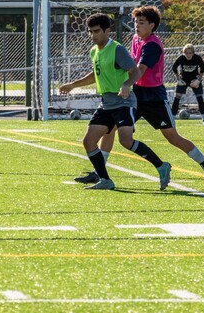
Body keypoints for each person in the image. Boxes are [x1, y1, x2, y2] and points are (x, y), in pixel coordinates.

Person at [59, 13, 172, 190]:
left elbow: (134, 71)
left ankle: (161, 166)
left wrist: (127, 84)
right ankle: (105, 180)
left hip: (123, 102)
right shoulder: (94, 51)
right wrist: (73, 85)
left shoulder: (117, 50)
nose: (92, 35)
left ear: (107, 31)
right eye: (90, 31)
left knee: (126, 141)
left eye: (96, 31)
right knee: (88, 141)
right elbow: (96, 75)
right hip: (106, 103)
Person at [130, 5, 204, 187]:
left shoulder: (153, 45)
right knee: (111, 127)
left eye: (141, 23)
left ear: (152, 25)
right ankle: (100, 172)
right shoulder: (136, 39)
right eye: (135, 22)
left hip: (153, 97)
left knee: (172, 137)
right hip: (135, 94)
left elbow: (139, 70)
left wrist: (123, 82)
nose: (136, 26)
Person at [171, 44, 204, 125]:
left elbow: (202, 67)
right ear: (183, 53)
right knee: (177, 97)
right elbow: (174, 67)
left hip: (194, 79)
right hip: (183, 79)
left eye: (190, 53)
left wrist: (198, 80)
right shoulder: (181, 58)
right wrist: (178, 79)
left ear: (193, 53)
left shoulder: (197, 58)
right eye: (186, 53)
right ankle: (171, 118)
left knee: (199, 97)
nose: (188, 55)